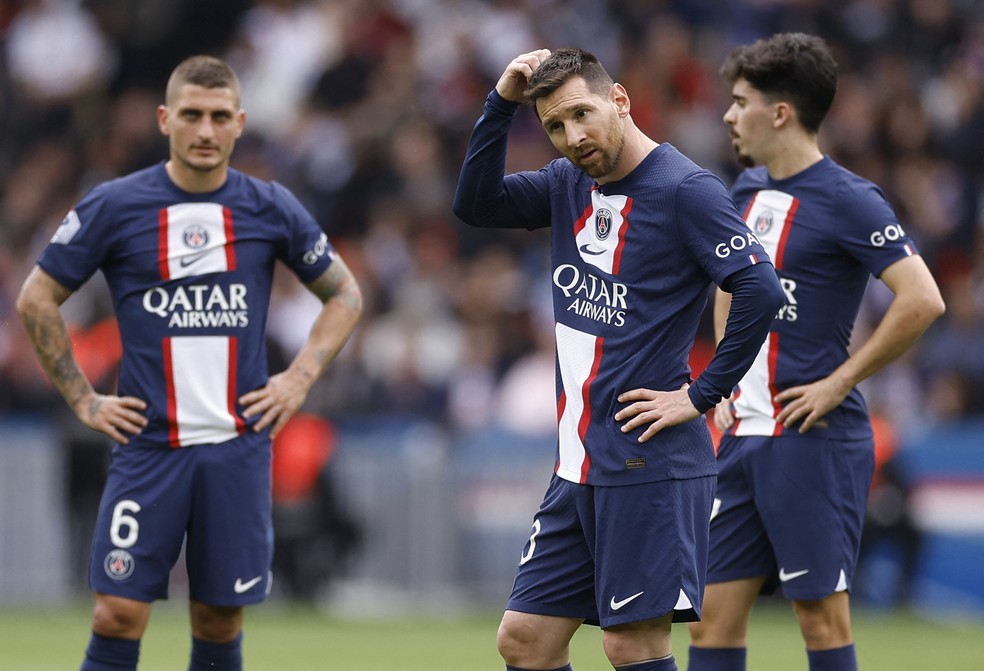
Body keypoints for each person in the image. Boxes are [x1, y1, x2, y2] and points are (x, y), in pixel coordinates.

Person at [16, 55, 362, 671]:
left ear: (240, 123)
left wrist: (299, 378)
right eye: (192, 115)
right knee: (116, 612)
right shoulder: (116, 205)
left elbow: (344, 294)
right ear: (164, 119)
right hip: (149, 447)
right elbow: (37, 297)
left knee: (218, 618)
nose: (206, 130)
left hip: (236, 449)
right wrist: (82, 399)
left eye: (220, 117)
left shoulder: (269, 206)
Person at [453, 48, 785, 671]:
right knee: (525, 640)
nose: (573, 136)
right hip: (578, 462)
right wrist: (500, 103)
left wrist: (700, 394)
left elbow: (759, 288)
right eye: (554, 125)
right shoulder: (566, 182)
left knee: (631, 644)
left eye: (582, 113)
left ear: (621, 100)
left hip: (648, 461)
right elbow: (476, 206)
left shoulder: (684, 189)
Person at [686, 33, 945, 671]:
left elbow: (923, 299)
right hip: (742, 433)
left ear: (780, 112)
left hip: (812, 434)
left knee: (820, 621)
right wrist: (724, 376)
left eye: (740, 101)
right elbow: (731, 283)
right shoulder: (744, 187)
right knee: (708, 623)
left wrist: (840, 381)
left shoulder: (848, 199)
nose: (727, 114)